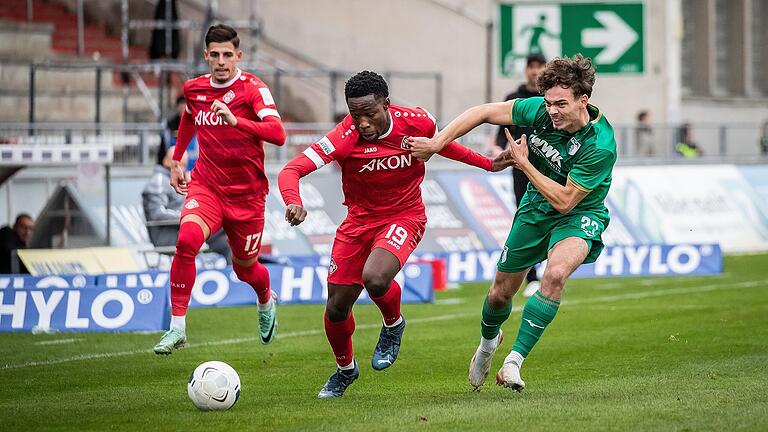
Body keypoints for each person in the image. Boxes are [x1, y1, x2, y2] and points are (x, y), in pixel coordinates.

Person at [278, 71, 513, 398]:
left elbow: (442, 146)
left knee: (374, 278)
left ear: (386, 104)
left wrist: (488, 165)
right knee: (336, 308)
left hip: (405, 216)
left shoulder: (417, 122)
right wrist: (294, 201)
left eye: (369, 114)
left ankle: (392, 324)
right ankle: (345, 370)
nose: (362, 123)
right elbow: (292, 170)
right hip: (357, 223)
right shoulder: (344, 136)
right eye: (354, 114)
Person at [408, 54, 617, 392]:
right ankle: (488, 346)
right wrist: (436, 143)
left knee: (556, 274)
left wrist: (524, 163)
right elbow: (482, 112)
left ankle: (514, 362)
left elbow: (565, 200)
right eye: (549, 103)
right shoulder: (539, 111)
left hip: (580, 214)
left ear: (584, 100)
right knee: (500, 293)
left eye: (561, 103)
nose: (552, 111)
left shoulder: (600, 145)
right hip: (534, 209)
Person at [153, 24, 286, 354]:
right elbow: (188, 118)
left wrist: (235, 120)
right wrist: (178, 159)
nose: (222, 61)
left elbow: (278, 133)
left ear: (238, 56)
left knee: (245, 270)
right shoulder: (194, 90)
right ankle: (177, 327)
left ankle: (266, 300)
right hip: (207, 186)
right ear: (206, 56)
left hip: (248, 196)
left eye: (228, 55)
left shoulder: (253, 89)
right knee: (186, 241)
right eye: (215, 55)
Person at [495, 53, 546, 297]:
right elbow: (500, 135)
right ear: (526, 70)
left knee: (549, 216)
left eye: (539, 66)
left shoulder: (550, 98)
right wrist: (499, 152)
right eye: (531, 66)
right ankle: (532, 275)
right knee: (524, 216)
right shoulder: (513, 99)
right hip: (520, 170)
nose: (535, 71)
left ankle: (551, 266)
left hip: (549, 170)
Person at [142, 145, 230, 260]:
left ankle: (240, 268)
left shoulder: (178, 181)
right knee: (219, 230)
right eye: (178, 165)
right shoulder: (159, 180)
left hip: (183, 228)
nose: (182, 170)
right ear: (166, 162)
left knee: (227, 232)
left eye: (184, 166)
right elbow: (157, 213)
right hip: (167, 235)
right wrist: (188, 217)